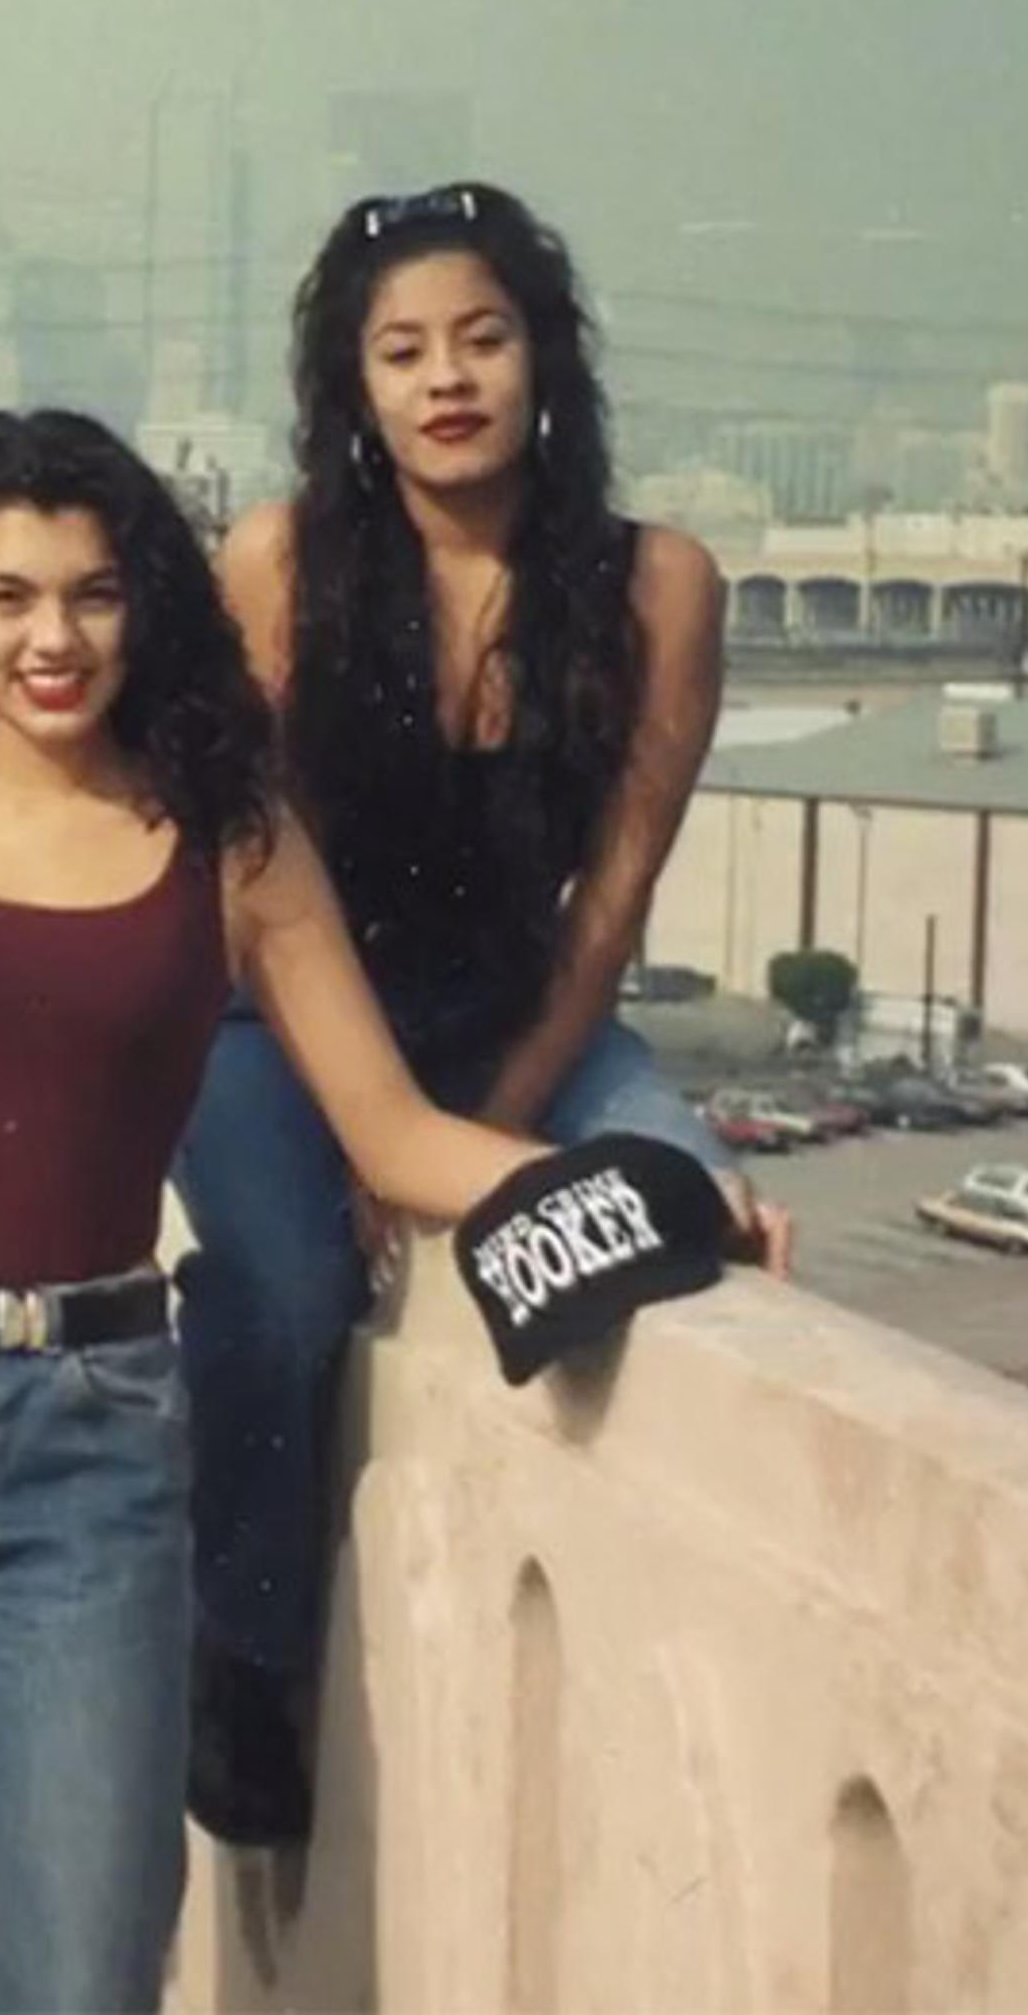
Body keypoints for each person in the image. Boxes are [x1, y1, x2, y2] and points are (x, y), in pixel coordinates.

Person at [0, 408, 602, 2013]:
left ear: (149, 602)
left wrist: (642, 1189)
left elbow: (397, 1131)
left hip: (88, 1445)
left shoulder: (230, 835)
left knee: (81, 1974)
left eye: (91, 594)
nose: (50, 639)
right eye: (6, 597)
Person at [175, 181, 782, 1847]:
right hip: (281, 1033)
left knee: (690, 1219)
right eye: (403, 351)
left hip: (532, 1024)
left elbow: (615, 909)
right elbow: (243, 874)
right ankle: (237, 1651)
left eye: (483, 338)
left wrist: (490, 1131)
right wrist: (374, 1124)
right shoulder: (280, 564)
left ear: (544, 361)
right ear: (354, 389)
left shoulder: (661, 585)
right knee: (289, 1294)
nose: (447, 379)